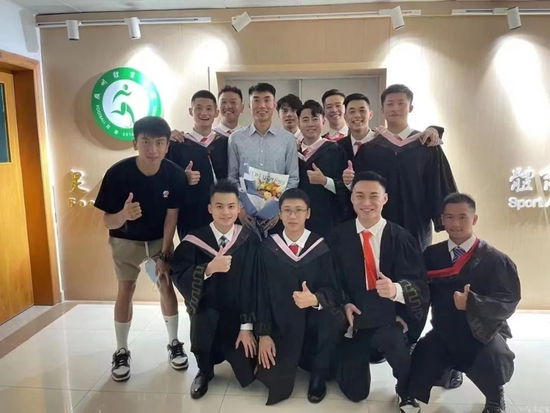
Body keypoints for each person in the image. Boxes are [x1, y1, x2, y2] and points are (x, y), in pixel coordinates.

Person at [94, 116, 189, 382]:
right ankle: (121, 350)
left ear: (167, 145)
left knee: (165, 283)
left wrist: (166, 250)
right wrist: (123, 215)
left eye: (159, 142)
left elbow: (172, 215)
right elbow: (107, 221)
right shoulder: (117, 174)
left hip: (159, 238)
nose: (153, 149)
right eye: (146, 142)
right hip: (125, 239)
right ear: (135, 143)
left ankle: (174, 343)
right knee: (126, 288)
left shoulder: (174, 175)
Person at [408, 193, 520, 413]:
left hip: (482, 333)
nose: (455, 223)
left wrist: (472, 303)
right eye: (449, 217)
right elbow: (420, 292)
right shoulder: (431, 255)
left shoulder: (495, 259)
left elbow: (508, 299)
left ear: (474, 219)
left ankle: (494, 398)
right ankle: (448, 372)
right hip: (444, 330)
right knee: (419, 359)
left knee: (494, 359)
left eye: (462, 217)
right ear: (442, 219)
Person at [331, 171, 429, 411]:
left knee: (397, 349)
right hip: (355, 320)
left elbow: (419, 283)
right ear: (351, 198)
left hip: (388, 318)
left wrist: (396, 289)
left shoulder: (401, 238)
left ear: (385, 199)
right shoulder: (338, 236)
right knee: (355, 393)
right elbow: (330, 278)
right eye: (359, 196)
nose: (366, 203)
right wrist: (343, 303)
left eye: (373, 196)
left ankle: (405, 391)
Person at [170, 180, 259, 399]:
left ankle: (240, 351)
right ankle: (204, 370)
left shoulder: (248, 240)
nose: (225, 212)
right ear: (210, 209)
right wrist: (207, 269)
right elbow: (178, 272)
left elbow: (254, 283)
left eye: (231, 206)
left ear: (239, 208)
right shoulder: (195, 240)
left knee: (248, 374)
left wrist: (247, 326)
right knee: (203, 322)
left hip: (239, 314)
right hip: (207, 311)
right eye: (219, 206)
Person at [256, 188, 343, 405]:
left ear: (308, 213)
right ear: (280, 214)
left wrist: (315, 299)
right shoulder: (267, 248)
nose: (293, 216)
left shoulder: (321, 247)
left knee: (330, 317)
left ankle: (318, 374)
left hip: (313, 323)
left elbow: (333, 289)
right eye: (287, 210)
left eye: (298, 210)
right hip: (280, 323)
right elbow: (260, 292)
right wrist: (263, 333)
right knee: (274, 380)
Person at [344, 86, 456, 252]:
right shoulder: (370, 148)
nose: (395, 108)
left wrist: (448, 216)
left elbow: (440, 183)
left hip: (417, 222)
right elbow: (360, 186)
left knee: (416, 262)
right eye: (390, 104)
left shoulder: (426, 145)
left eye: (401, 103)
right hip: (380, 221)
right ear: (383, 110)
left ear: (410, 107)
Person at [228, 83, 299, 232]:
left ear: (274, 104)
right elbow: (232, 177)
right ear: (249, 105)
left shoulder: (288, 140)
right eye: (256, 100)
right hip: (244, 217)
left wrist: (279, 210)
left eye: (267, 100)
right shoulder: (235, 139)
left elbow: (293, 179)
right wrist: (240, 208)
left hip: (278, 218)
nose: (262, 105)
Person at [166, 90, 228, 239]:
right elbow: (167, 181)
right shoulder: (178, 144)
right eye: (198, 108)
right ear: (190, 111)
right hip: (191, 216)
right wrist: (183, 178)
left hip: (224, 214)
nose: (204, 113)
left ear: (216, 112)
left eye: (209, 108)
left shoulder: (225, 143)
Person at [297, 99, 348, 238]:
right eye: (305, 120)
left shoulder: (334, 150)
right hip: (297, 219)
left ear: (324, 122)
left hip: (326, 219)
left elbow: (345, 187)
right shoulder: (293, 152)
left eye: (315, 119)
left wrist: (325, 181)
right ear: (298, 123)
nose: (310, 124)